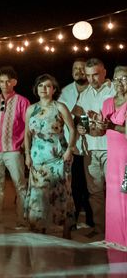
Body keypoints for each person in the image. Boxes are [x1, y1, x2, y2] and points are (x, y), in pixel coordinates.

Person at [23, 74, 76, 239]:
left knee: (61, 192)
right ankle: (39, 226)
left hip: (58, 157)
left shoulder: (60, 107)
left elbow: (72, 130)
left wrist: (70, 150)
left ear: (53, 89)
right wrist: (27, 154)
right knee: (38, 193)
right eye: (40, 86)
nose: (43, 89)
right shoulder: (31, 109)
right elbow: (27, 134)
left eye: (47, 86)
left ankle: (65, 229)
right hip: (37, 158)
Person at [0, 66, 29, 226]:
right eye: (1, 81)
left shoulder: (22, 101)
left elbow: (28, 125)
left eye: (8, 81)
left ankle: (22, 219)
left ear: (14, 82)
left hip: (13, 150)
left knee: (19, 184)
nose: (4, 84)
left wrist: (23, 144)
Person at [75, 57, 115, 238]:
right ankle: (100, 229)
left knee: (115, 191)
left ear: (104, 72)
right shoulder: (85, 94)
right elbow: (78, 117)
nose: (92, 79)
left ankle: (117, 229)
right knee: (95, 192)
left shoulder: (115, 90)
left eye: (96, 75)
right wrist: (79, 127)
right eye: (89, 75)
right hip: (90, 148)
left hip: (112, 148)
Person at [58, 58, 94, 229]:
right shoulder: (65, 92)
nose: (79, 71)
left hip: (91, 146)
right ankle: (73, 218)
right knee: (74, 184)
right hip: (72, 146)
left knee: (91, 185)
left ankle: (91, 218)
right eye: (75, 68)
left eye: (82, 68)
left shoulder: (93, 90)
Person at [97, 66, 127, 247]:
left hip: (126, 159)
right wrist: (92, 126)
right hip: (113, 158)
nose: (119, 83)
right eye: (116, 79)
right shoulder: (108, 102)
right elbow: (101, 130)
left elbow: (114, 128)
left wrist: (110, 126)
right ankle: (115, 238)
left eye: (124, 79)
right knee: (114, 197)